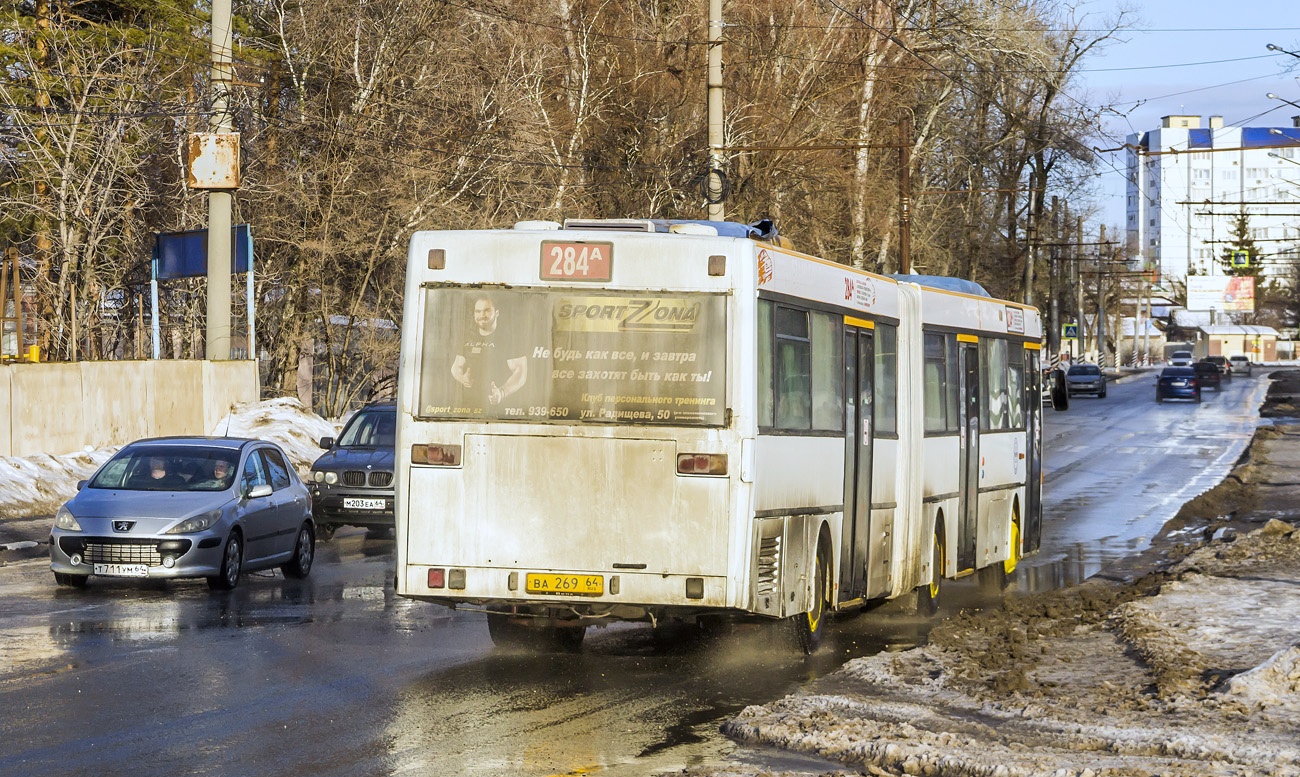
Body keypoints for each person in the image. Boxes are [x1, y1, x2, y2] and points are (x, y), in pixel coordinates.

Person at [450, 295, 528, 408]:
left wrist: (502, 392)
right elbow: (456, 367)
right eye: (478, 311)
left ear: (497, 313)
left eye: (487, 310)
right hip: (468, 405)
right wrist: (462, 378)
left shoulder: (510, 338)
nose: (482, 315)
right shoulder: (467, 336)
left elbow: (520, 373)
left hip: (499, 408)